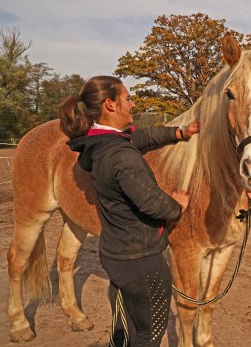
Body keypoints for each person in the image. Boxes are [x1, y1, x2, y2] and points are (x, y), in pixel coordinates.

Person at [59, 75, 199, 346]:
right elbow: (153, 203)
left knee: (125, 331)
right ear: (110, 105)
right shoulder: (120, 155)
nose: (133, 104)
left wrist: (179, 133)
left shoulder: (101, 143)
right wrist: (177, 205)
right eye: (128, 98)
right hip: (142, 260)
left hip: (117, 255)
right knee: (148, 335)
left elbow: (143, 137)